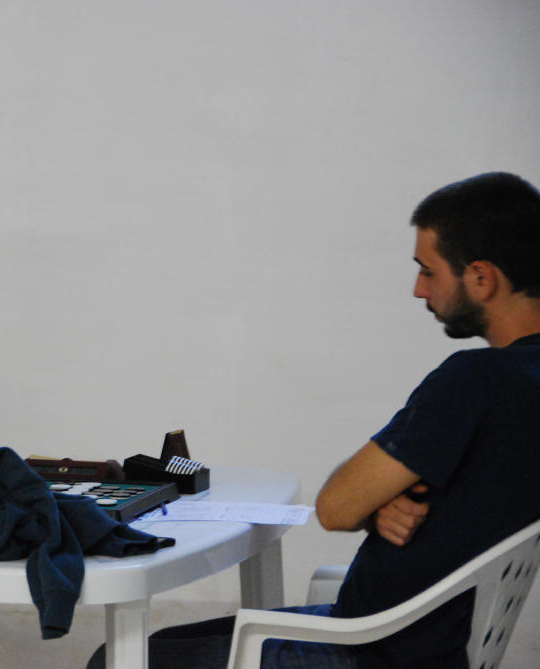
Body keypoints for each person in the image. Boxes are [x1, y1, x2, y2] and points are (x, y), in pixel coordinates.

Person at [87, 171, 540, 669]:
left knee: (117, 660)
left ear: (481, 278)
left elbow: (335, 508)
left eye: (428, 271)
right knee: (149, 647)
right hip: (418, 640)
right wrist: (380, 504)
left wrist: (370, 501)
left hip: (370, 650)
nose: (417, 289)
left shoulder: (475, 381)